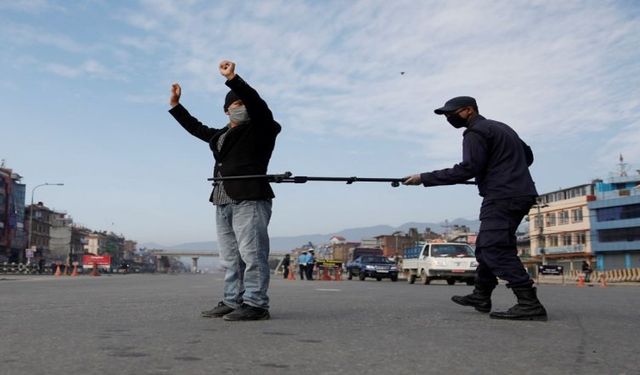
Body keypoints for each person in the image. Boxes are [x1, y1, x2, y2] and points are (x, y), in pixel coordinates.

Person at [403, 96, 547, 321]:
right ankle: (481, 295)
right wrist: (501, 169)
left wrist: (424, 178)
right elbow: (527, 157)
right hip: (519, 193)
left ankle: (529, 302)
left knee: (494, 249)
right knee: (485, 247)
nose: (448, 118)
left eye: (452, 114)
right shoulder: (502, 128)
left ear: (468, 110)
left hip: (503, 196)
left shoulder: (475, 132)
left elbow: (467, 169)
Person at [169, 60, 281, 321]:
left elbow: (258, 105)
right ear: (227, 110)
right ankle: (233, 300)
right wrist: (176, 106)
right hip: (222, 199)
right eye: (237, 104)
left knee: (252, 254)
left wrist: (233, 78)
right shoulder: (220, 135)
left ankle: (256, 304)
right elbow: (196, 128)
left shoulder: (262, 129)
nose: (242, 108)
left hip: (250, 198)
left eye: (244, 104)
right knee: (231, 257)